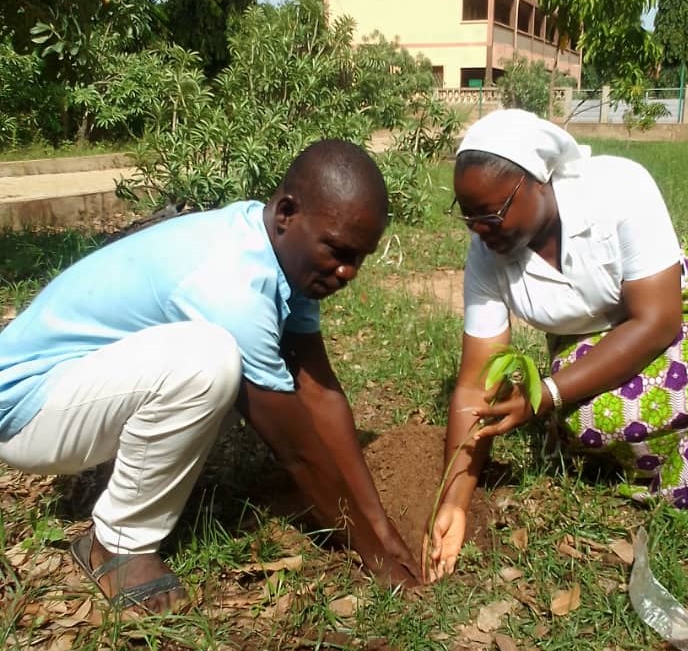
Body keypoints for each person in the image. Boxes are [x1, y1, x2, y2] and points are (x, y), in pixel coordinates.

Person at [0, 139, 419, 612]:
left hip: (80, 387)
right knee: (211, 360)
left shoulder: (275, 250)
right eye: (338, 251)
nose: (348, 271)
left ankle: (120, 486)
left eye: (360, 257)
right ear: (286, 212)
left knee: (218, 363)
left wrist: (380, 526)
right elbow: (296, 451)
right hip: (26, 411)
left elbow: (319, 391)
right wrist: (370, 552)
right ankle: (116, 544)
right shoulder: (231, 284)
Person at [424, 109, 688, 582]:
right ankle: (668, 445)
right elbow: (475, 383)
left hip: (678, 314)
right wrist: (454, 501)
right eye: (469, 217)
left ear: (540, 181)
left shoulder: (619, 188)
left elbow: (658, 321)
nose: (480, 230)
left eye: (491, 214)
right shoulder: (488, 254)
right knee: (588, 418)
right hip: (593, 341)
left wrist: (548, 393)